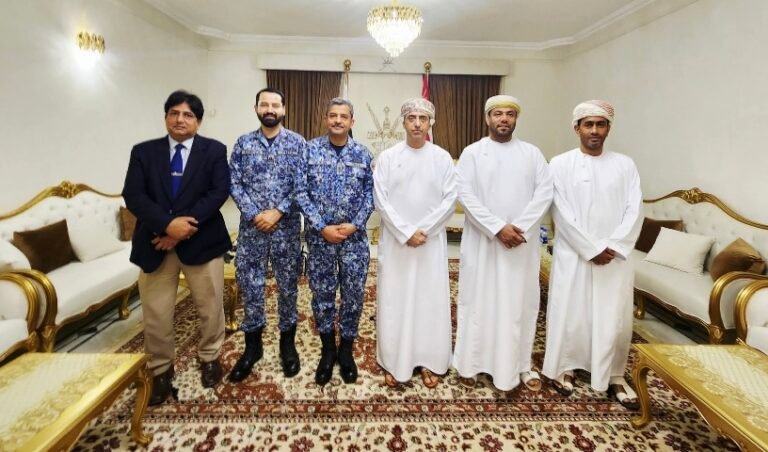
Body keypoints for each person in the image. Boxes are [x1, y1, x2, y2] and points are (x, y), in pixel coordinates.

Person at [122, 90, 231, 405]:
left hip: (202, 243)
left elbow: (218, 192)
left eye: (188, 115)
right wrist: (167, 226)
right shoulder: (144, 152)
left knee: (210, 305)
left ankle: (210, 356)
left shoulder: (214, 150)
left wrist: (181, 231)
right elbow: (134, 195)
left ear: (198, 121)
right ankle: (160, 369)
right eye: (174, 113)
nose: (180, 119)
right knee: (156, 311)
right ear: (166, 117)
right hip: (155, 243)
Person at [542, 100, 643, 409]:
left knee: (614, 317)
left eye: (601, 124)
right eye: (589, 124)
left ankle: (614, 374)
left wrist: (614, 246)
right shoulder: (559, 164)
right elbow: (560, 210)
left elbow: (635, 209)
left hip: (614, 257)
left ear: (609, 128)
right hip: (575, 253)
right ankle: (565, 367)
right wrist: (590, 248)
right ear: (577, 128)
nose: (595, 130)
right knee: (571, 312)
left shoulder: (625, 165)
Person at [452, 95, 553, 391]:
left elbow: (544, 193)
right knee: (478, 301)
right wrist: (497, 228)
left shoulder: (532, 154)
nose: (504, 119)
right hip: (483, 243)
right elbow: (464, 194)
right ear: (488, 118)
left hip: (520, 244)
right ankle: (471, 363)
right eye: (498, 114)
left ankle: (519, 366)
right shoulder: (472, 153)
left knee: (518, 304)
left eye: (510, 114)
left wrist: (518, 228)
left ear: (516, 119)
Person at [373, 98, 457, 389]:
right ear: (404, 122)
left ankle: (428, 360)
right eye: (412, 118)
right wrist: (406, 231)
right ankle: (393, 360)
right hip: (398, 243)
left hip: (430, 243)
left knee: (429, 300)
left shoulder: (442, 158)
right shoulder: (388, 157)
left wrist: (425, 230)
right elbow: (380, 199)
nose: (418, 124)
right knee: (394, 299)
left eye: (423, 118)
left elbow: (450, 199)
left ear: (431, 122)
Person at [228, 88, 306, 381]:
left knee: (288, 288)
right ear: (256, 108)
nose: (270, 109)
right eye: (264, 104)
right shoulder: (244, 143)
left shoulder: (298, 144)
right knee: (251, 287)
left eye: (275, 105)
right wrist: (254, 213)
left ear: (284, 110)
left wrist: (278, 211)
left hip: (286, 230)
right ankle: (253, 347)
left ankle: (287, 345)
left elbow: (303, 185)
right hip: (252, 231)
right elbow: (233, 182)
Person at [295, 98, 374, 385]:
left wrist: (355, 224)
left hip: (354, 240)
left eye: (343, 116)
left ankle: (346, 350)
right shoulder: (309, 150)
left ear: (352, 121)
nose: (338, 120)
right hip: (321, 240)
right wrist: (321, 226)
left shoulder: (363, 153)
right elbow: (300, 192)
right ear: (326, 119)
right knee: (323, 295)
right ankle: (328, 350)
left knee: (353, 295)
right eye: (333, 115)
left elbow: (371, 194)